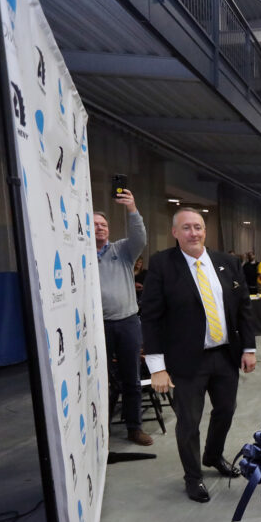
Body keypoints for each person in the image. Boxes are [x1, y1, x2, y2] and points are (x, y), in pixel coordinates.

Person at [141, 208, 256, 503]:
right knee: (189, 422)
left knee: (226, 411)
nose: (194, 233)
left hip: (224, 356)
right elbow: (151, 318)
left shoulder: (227, 263)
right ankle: (193, 477)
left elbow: (243, 308)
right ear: (175, 233)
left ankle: (213, 455)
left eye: (199, 227)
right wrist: (157, 367)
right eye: (187, 228)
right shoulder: (162, 265)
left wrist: (249, 348)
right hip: (185, 361)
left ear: (205, 231)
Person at [94, 189, 153, 446]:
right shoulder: (79, 256)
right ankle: (100, 430)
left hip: (128, 322)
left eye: (104, 224)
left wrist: (131, 208)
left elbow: (140, 236)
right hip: (97, 326)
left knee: (131, 378)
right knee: (99, 381)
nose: (100, 228)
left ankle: (134, 427)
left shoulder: (123, 251)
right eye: (94, 225)